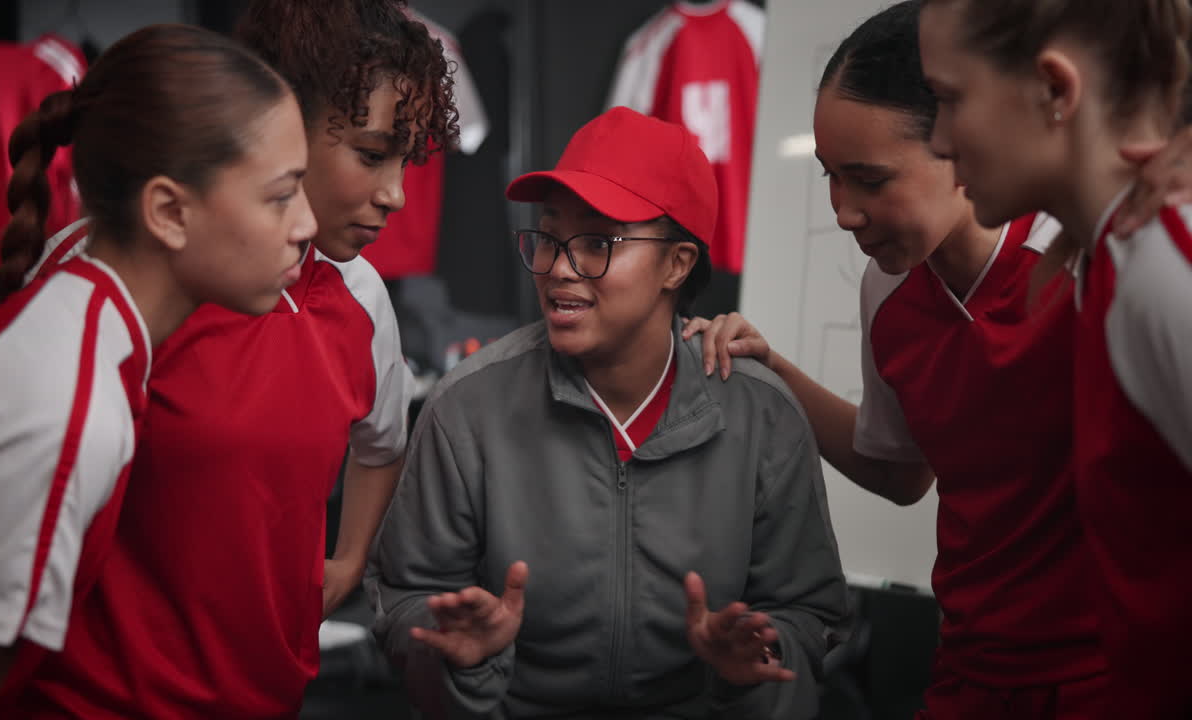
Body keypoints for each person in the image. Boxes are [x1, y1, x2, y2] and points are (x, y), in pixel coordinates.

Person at [8, 1, 459, 717]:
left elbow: (382, 442)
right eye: (373, 155)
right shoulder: (122, 275)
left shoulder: (359, 296)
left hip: (267, 698)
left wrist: (346, 565)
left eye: (409, 161)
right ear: (283, 125)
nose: (396, 195)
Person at [686, 3, 1112, 717]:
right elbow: (899, 470)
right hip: (971, 666)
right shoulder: (890, 292)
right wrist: (773, 369)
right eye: (829, 177)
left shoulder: (1082, 261)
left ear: (957, 138)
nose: (844, 210)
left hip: (1108, 672)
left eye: (870, 179)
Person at [367, 106, 847, 719]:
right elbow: (406, 596)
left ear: (677, 263)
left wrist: (757, 662)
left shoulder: (761, 414)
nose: (559, 269)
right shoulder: (468, 409)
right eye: (548, 237)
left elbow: (812, 613)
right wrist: (457, 655)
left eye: (598, 242)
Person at [0, 23, 315, 719]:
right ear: (168, 211)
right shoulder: (65, 408)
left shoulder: (92, 324)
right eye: (281, 195)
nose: (307, 224)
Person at [918, 1, 1192, 716]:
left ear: (1056, 90)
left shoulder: (1164, 266)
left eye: (950, 99)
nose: (941, 139)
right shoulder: (1101, 261)